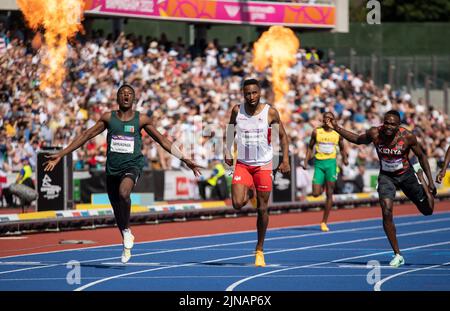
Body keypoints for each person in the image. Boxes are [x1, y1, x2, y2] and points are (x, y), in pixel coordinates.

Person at [44, 84, 202, 263]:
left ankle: (126, 233)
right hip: (112, 168)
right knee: (117, 210)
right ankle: (126, 233)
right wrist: (61, 154)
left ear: (133, 99)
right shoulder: (108, 118)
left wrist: (185, 159)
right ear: (117, 98)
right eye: (122, 93)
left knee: (123, 193)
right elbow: (86, 135)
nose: (126, 96)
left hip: (132, 166)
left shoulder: (141, 119)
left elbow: (162, 140)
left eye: (129, 94)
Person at [325, 110, 436, 267]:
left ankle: (422, 183)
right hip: (386, 177)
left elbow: (422, 156)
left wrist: (430, 182)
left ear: (399, 126)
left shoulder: (407, 136)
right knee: (386, 210)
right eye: (386, 123)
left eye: (393, 124)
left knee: (428, 210)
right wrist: (336, 127)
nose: (389, 126)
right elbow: (357, 139)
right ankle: (397, 254)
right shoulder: (375, 133)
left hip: (406, 175)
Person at [224, 78, 290, 267]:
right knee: (237, 203)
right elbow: (230, 130)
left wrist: (285, 159)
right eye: (247, 93)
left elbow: (283, 137)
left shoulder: (270, 113)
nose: (251, 97)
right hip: (243, 164)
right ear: (243, 94)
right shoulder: (237, 111)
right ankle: (251, 192)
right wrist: (227, 150)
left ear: (260, 93)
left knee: (262, 209)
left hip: (263, 165)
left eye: (254, 93)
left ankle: (259, 249)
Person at [304, 112, 348, 232]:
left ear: (334, 120)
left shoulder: (337, 133)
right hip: (319, 164)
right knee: (315, 193)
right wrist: (305, 161)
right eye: (326, 118)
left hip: (331, 165)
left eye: (330, 119)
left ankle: (324, 222)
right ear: (322, 120)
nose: (327, 120)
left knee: (329, 193)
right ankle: (321, 184)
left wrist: (345, 158)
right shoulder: (316, 132)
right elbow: (310, 147)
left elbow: (342, 147)